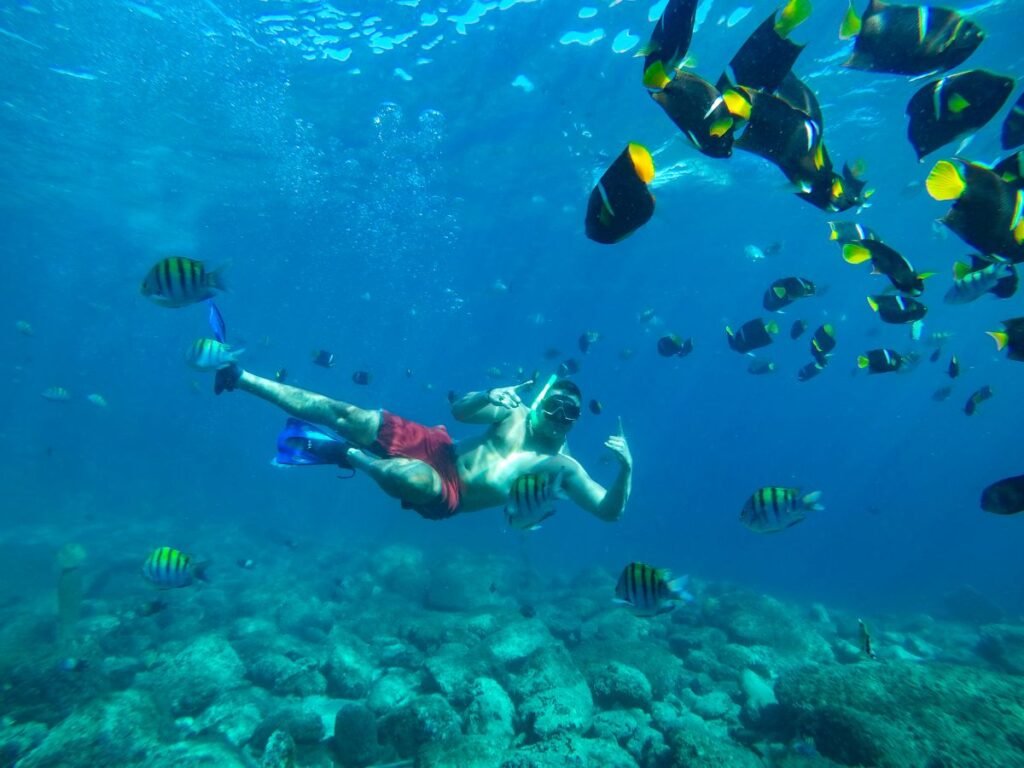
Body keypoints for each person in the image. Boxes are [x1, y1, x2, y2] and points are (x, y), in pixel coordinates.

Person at [214, 365, 632, 522]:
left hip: (450, 493)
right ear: (542, 401)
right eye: (555, 405)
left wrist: (626, 470)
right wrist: (486, 395)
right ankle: (240, 377)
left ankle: (346, 455)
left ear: (576, 421)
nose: (559, 417)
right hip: (438, 446)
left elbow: (608, 511)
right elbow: (460, 412)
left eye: (569, 413)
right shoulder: (514, 411)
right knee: (351, 415)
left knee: (410, 480)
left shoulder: (564, 468)